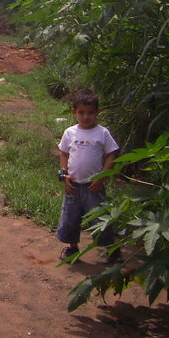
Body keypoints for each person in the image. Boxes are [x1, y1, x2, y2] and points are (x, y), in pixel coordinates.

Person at [55, 88, 123, 264]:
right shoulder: (70, 132)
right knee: (70, 218)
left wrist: (101, 177)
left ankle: (111, 249)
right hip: (73, 185)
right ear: (74, 112)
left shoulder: (102, 133)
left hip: (94, 186)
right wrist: (64, 175)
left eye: (91, 113)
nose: (86, 117)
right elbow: (63, 153)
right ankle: (72, 248)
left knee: (101, 219)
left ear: (97, 112)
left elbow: (112, 154)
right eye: (81, 113)